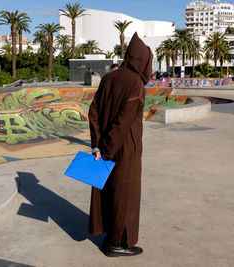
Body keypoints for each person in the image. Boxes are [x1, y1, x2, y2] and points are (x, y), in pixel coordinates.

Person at [88, 33, 153, 257]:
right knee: (125, 195)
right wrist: (106, 149)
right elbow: (123, 122)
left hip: (107, 148)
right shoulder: (136, 84)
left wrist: (97, 146)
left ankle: (109, 234)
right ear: (142, 61)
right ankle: (118, 243)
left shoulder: (109, 77)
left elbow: (93, 111)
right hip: (125, 150)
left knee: (110, 192)